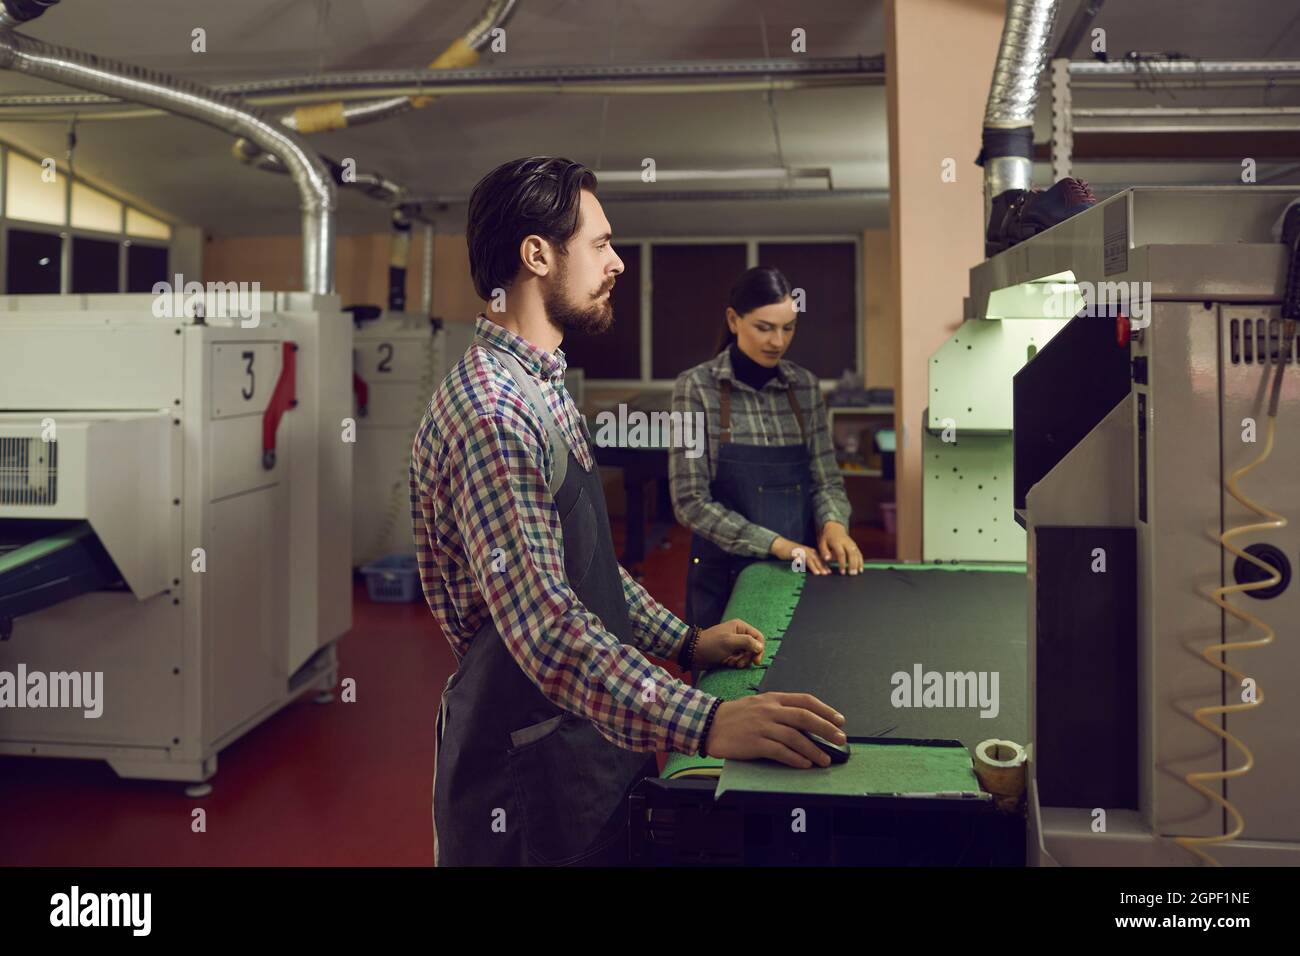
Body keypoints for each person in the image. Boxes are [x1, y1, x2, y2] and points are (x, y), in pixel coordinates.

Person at [410, 158, 847, 867]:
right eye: (601, 244)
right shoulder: (494, 413)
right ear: (536, 255)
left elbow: (589, 574)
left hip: (586, 732)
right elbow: (548, 629)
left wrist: (685, 643)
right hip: (526, 769)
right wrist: (705, 721)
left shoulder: (543, 386)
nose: (616, 263)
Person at [671, 266, 864, 630]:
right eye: (764, 327)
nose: (778, 341)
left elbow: (827, 481)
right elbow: (689, 501)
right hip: (723, 577)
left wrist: (834, 525)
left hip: (800, 569)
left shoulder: (804, 387)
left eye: (787, 328)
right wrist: (777, 545)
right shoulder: (694, 388)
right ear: (733, 320)